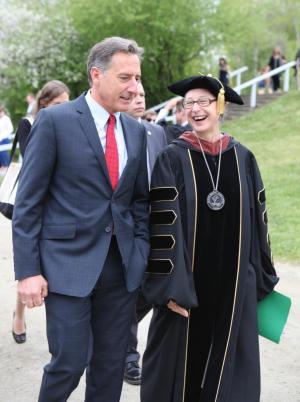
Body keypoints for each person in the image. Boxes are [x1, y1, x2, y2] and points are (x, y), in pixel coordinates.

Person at [12, 36, 149, 402]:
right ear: (96, 75)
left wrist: (140, 253)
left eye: (137, 78)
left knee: (109, 369)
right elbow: (28, 202)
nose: (135, 87)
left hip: (121, 272)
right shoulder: (55, 121)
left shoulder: (135, 130)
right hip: (66, 269)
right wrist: (27, 271)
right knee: (69, 363)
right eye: (125, 78)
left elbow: (138, 201)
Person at [141, 74, 279, 402]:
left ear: (220, 107)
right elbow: (162, 228)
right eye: (189, 103)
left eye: (204, 102)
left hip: (233, 287)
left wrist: (259, 277)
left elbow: (260, 221)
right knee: (178, 372)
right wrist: (170, 288)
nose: (196, 108)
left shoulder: (243, 157)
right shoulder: (172, 158)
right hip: (186, 288)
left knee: (229, 377)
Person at [12, 80, 70, 344]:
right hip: (36, 199)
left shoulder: (71, 125)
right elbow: (32, 157)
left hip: (58, 202)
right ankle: (20, 313)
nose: (64, 109)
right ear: (45, 103)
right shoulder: (29, 123)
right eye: (58, 104)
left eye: (67, 104)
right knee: (31, 264)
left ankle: (56, 329)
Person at [125, 82, 167, 385]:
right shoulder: (116, 133)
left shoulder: (157, 132)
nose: (140, 99)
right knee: (128, 289)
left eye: (142, 95)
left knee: (152, 290)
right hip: (126, 226)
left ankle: (112, 331)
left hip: (156, 225)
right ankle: (128, 356)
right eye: (132, 96)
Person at [0, 105, 13, 173]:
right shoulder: (1, 119)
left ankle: (6, 165)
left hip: (4, 139)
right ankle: (2, 166)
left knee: (3, 153)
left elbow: (10, 129)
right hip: (0, 138)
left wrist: (3, 135)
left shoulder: (6, 118)